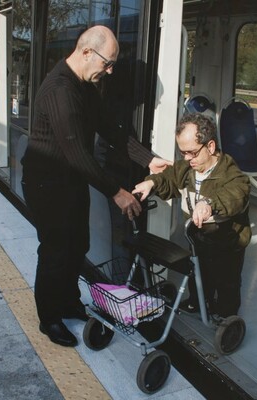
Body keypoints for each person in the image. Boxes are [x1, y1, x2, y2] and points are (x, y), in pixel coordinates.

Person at [21, 25, 171, 347]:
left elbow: (111, 130)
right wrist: (118, 192)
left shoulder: (87, 85)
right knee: (55, 251)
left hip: (71, 182)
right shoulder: (60, 90)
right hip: (47, 185)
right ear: (87, 52)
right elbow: (77, 153)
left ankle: (69, 301)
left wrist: (148, 159)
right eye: (108, 63)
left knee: (78, 245)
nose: (110, 70)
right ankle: (49, 318)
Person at [132, 113, 251, 318]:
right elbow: (168, 178)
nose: (187, 159)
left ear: (210, 147)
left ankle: (226, 316)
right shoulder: (187, 167)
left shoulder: (231, 174)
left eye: (192, 153)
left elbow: (235, 194)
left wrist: (208, 203)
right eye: (183, 153)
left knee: (227, 282)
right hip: (199, 237)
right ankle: (198, 302)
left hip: (228, 242)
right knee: (199, 273)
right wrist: (151, 183)